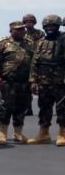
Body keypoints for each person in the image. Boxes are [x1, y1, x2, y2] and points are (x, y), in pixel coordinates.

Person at [0, 21, 33, 145]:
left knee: (22, 107)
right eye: (17, 29)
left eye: (22, 29)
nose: (20, 31)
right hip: (8, 81)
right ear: (11, 31)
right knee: (6, 107)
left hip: (25, 82)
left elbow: (34, 62)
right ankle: (2, 133)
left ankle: (18, 133)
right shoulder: (3, 43)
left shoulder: (30, 44)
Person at [28, 15, 65, 145]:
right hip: (44, 81)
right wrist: (33, 80)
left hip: (61, 81)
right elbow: (35, 62)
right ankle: (43, 133)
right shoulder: (41, 42)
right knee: (44, 108)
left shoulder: (63, 39)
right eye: (47, 26)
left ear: (58, 26)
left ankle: (62, 134)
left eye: (53, 26)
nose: (50, 28)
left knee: (62, 108)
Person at [22, 13, 43, 116]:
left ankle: (43, 108)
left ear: (34, 22)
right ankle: (28, 108)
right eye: (26, 21)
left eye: (31, 21)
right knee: (26, 88)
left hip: (38, 62)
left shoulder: (40, 33)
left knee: (41, 86)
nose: (28, 23)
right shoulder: (22, 34)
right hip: (26, 63)